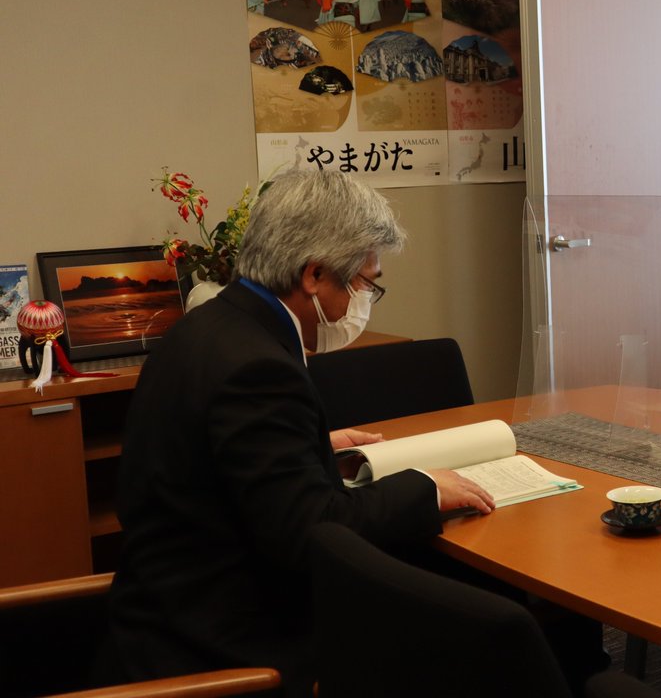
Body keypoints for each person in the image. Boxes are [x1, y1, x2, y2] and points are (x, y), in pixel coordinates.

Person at [105, 171, 495, 696]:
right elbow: (312, 533)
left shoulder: (205, 329)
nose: (363, 300)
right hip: (224, 646)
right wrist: (425, 487)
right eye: (365, 283)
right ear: (314, 274)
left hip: (164, 607)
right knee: (467, 638)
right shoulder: (258, 368)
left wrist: (310, 446)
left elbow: (214, 461)